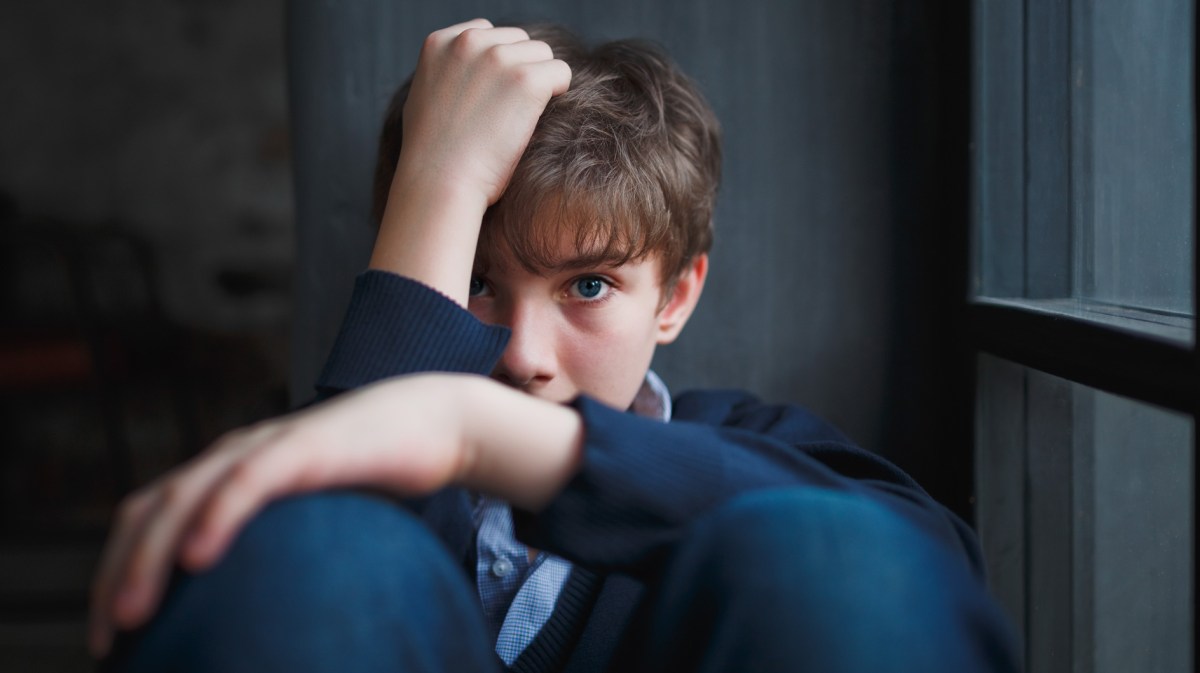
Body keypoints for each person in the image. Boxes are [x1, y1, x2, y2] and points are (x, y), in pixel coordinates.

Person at [88, 19, 1017, 673]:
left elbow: (933, 577)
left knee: (838, 555)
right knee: (319, 546)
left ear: (676, 295)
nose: (523, 352)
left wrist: (479, 431)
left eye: (588, 286)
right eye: (476, 281)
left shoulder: (748, 446)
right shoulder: (333, 479)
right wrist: (439, 182)